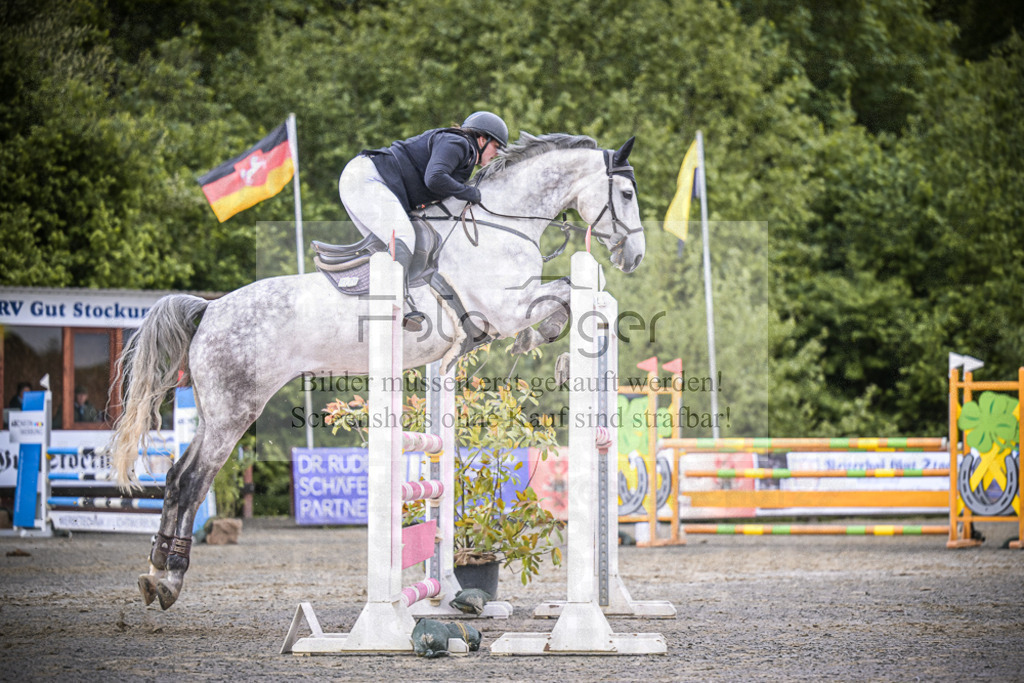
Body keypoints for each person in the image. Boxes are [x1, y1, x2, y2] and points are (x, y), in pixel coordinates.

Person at [339, 111, 509, 331]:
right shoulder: (458, 143)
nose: (497, 154)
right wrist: (469, 193)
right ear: (482, 139)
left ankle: (359, 310)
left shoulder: (463, 156)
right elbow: (435, 178)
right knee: (403, 236)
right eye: (497, 147)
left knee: (391, 249)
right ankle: (393, 304)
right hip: (367, 179)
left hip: (366, 180)